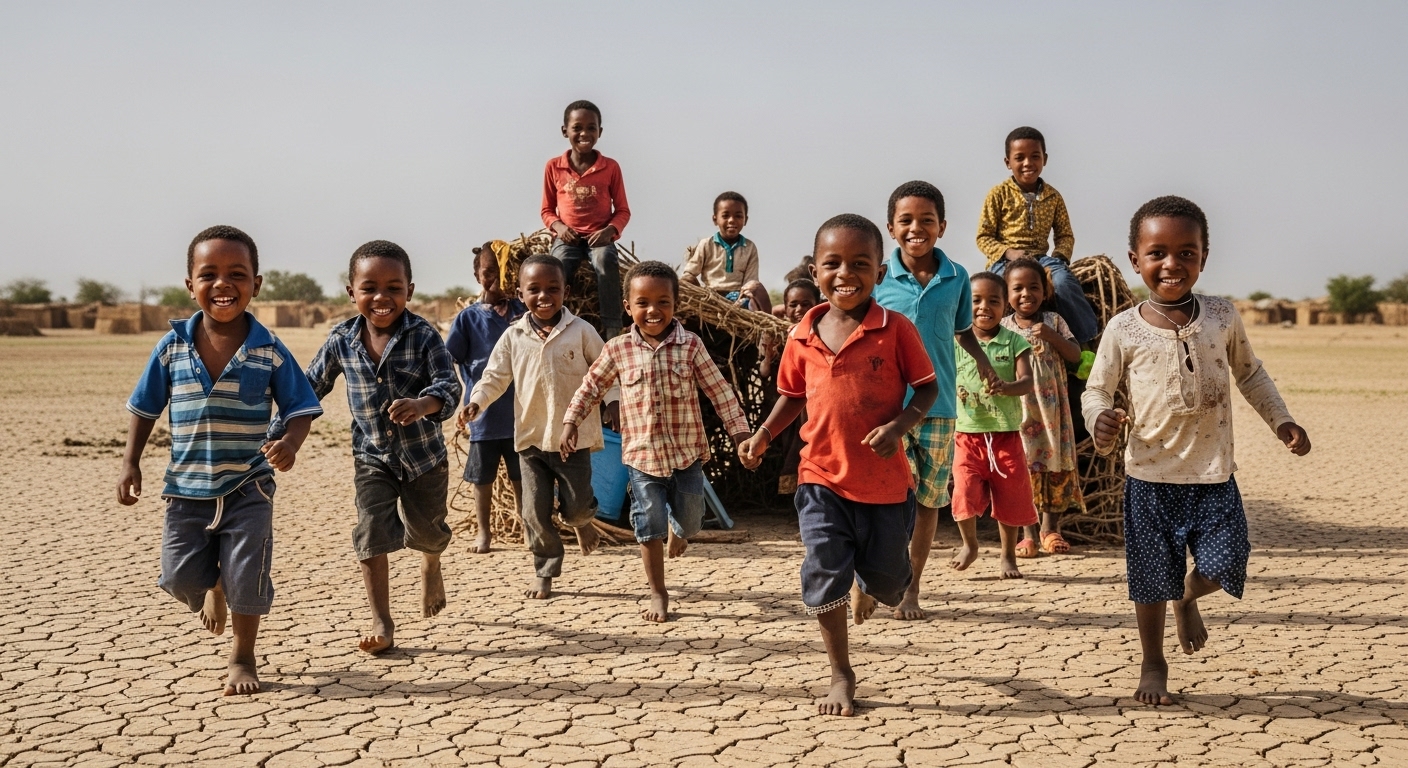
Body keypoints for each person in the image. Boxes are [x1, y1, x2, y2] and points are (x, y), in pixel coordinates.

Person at [1082, 196, 1312, 706]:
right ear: (1135, 259)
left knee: (1226, 563)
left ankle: (1187, 597)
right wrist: (1099, 420)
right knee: (1149, 582)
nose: (1172, 264)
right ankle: (1153, 663)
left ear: (1204, 257)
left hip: (1212, 475)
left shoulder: (1222, 316)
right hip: (1149, 477)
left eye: (1187, 252)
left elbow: (1250, 374)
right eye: (1157, 253)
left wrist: (1282, 420)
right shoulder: (1124, 328)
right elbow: (1097, 389)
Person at [739, 214, 938, 717]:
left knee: (890, 582)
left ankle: (869, 586)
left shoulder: (896, 330)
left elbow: (927, 389)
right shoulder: (801, 334)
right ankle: (841, 673)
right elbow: (791, 396)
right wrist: (763, 435)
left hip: (886, 485)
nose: (845, 274)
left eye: (860, 264)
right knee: (825, 571)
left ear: (879, 273)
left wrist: (899, 426)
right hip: (821, 478)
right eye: (833, 264)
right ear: (815, 270)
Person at [117, 225, 323, 696]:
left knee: (248, 577)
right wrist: (131, 462)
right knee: (177, 576)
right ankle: (214, 585)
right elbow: (144, 408)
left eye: (237, 274)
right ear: (190, 285)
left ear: (257, 284)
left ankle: (242, 656)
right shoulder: (171, 347)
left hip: (248, 486)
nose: (223, 284)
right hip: (186, 489)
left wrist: (290, 444)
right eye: (208, 274)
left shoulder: (268, 350)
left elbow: (300, 408)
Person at [278, 240, 461, 656]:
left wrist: (422, 405)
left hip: (424, 458)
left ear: (409, 291)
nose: (382, 297)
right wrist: (280, 434)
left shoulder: (423, 335)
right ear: (352, 292)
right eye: (370, 288)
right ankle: (382, 621)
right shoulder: (341, 340)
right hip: (372, 457)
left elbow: (449, 385)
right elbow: (308, 389)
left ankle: (431, 562)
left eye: (394, 288)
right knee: (371, 532)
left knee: (428, 534)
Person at [562, 260, 752, 623]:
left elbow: (720, 391)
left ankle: (679, 530)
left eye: (663, 302)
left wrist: (740, 432)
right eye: (643, 303)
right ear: (627, 306)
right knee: (648, 523)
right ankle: (658, 591)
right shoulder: (617, 349)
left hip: (686, 455)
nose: (653, 310)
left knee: (692, 520)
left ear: (675, 304)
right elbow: (590, 388)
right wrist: (571, 421)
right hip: (642, 458)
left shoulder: (690, 345)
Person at [872, 180, 1000, 620]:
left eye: (926, 220)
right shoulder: (880, 278)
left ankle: (911, 588)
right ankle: (874, 578)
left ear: (942, 226)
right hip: (890, 409)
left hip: (940, 407)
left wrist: (983, 362)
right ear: (891, 227)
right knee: (889, 498)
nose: (916, 228)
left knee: (928, 503)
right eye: (906, 220)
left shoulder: (957, 277)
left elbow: (963, 330)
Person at [465, 254, 615, 599]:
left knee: (577, 506)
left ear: (566, 292)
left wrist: (613, 403)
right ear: (520, 294)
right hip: (531, 438)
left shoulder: (581, 331)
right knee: (532, 511)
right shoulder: (513, 336)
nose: (544, 296)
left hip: (572, 439)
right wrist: (477, 402)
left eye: (552, 289)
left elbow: (605, 370)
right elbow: (494, 377)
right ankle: (545, 570)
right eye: (534, 289)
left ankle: (581, 521)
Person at [950, 272, 1038, 579]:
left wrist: (1007, 387)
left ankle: (1008, 555)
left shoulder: (1015, 342)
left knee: (1010, 497)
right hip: (967, 435)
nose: (984, 307)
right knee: (963, 491)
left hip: (1006, 436)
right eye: (975, 300)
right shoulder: (955, 342)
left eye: (993, 301)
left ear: (1005, 306)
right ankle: (970, 544)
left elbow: (1027, 381)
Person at [976, 126, 1099, 344]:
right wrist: (1010, 253)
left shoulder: (1053, 196)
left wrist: (1059, 258)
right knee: (994, 291)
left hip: (1041, 259)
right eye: (1019, 158)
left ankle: (1085, 340)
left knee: (1063, 282)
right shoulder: (997, 194)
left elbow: (1065, 235)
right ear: (1008, 162)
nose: (1028, 163)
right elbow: (983, 237)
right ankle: (988, 343)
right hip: (1005, 260)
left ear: (1045, 159)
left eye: (1035, 156)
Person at [1000, 256, 1086, 557]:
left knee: (1054, 466)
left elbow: (1075, 354)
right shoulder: (1003, 328)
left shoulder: (1054, 321)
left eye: (1034, 287)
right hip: (1019, 412)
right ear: (1007, 294)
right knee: (1023, 470)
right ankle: (1027, 534)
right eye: (1018, 288)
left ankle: (1050, 530)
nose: (1026, 294)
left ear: (1045, 290)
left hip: (1052, 413)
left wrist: (1051, 336)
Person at [448, 242, 527, 554]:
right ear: (477, 276)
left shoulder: (524, 313)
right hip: (484, 416)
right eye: (489, 272)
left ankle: (528, 528)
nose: (496, 279)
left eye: (503, 272)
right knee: (482, 478)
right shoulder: (468, 318)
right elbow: (450, 359)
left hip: (521, 413)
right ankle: (484, 533)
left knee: (522, 477)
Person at [541, 99, 630, 339]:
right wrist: (560, 227)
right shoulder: (554, 167)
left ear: (600, 132)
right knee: (555, 268)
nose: (584, 133)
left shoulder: (610, 167)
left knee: (605, 261)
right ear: (565, 131)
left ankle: (612, 327)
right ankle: (550, 322)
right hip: (567, 238)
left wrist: (609, 231)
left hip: (598, 238)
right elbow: (547, 210)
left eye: (591, 128)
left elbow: (623, 210)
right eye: (577, 128)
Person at [680, 191, 771, 313]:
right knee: (686, 282)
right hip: (709, 296)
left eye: (738, 216)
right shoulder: (706, 244)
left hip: (738, 297)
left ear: (745, 220)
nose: (732, 220)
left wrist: (742, 298)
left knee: (756, 288)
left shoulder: (749, 247)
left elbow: (750, 281)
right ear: (715, 219)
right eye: (725, 216)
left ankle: (759, 321)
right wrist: (692, 287)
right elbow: (690, 273)